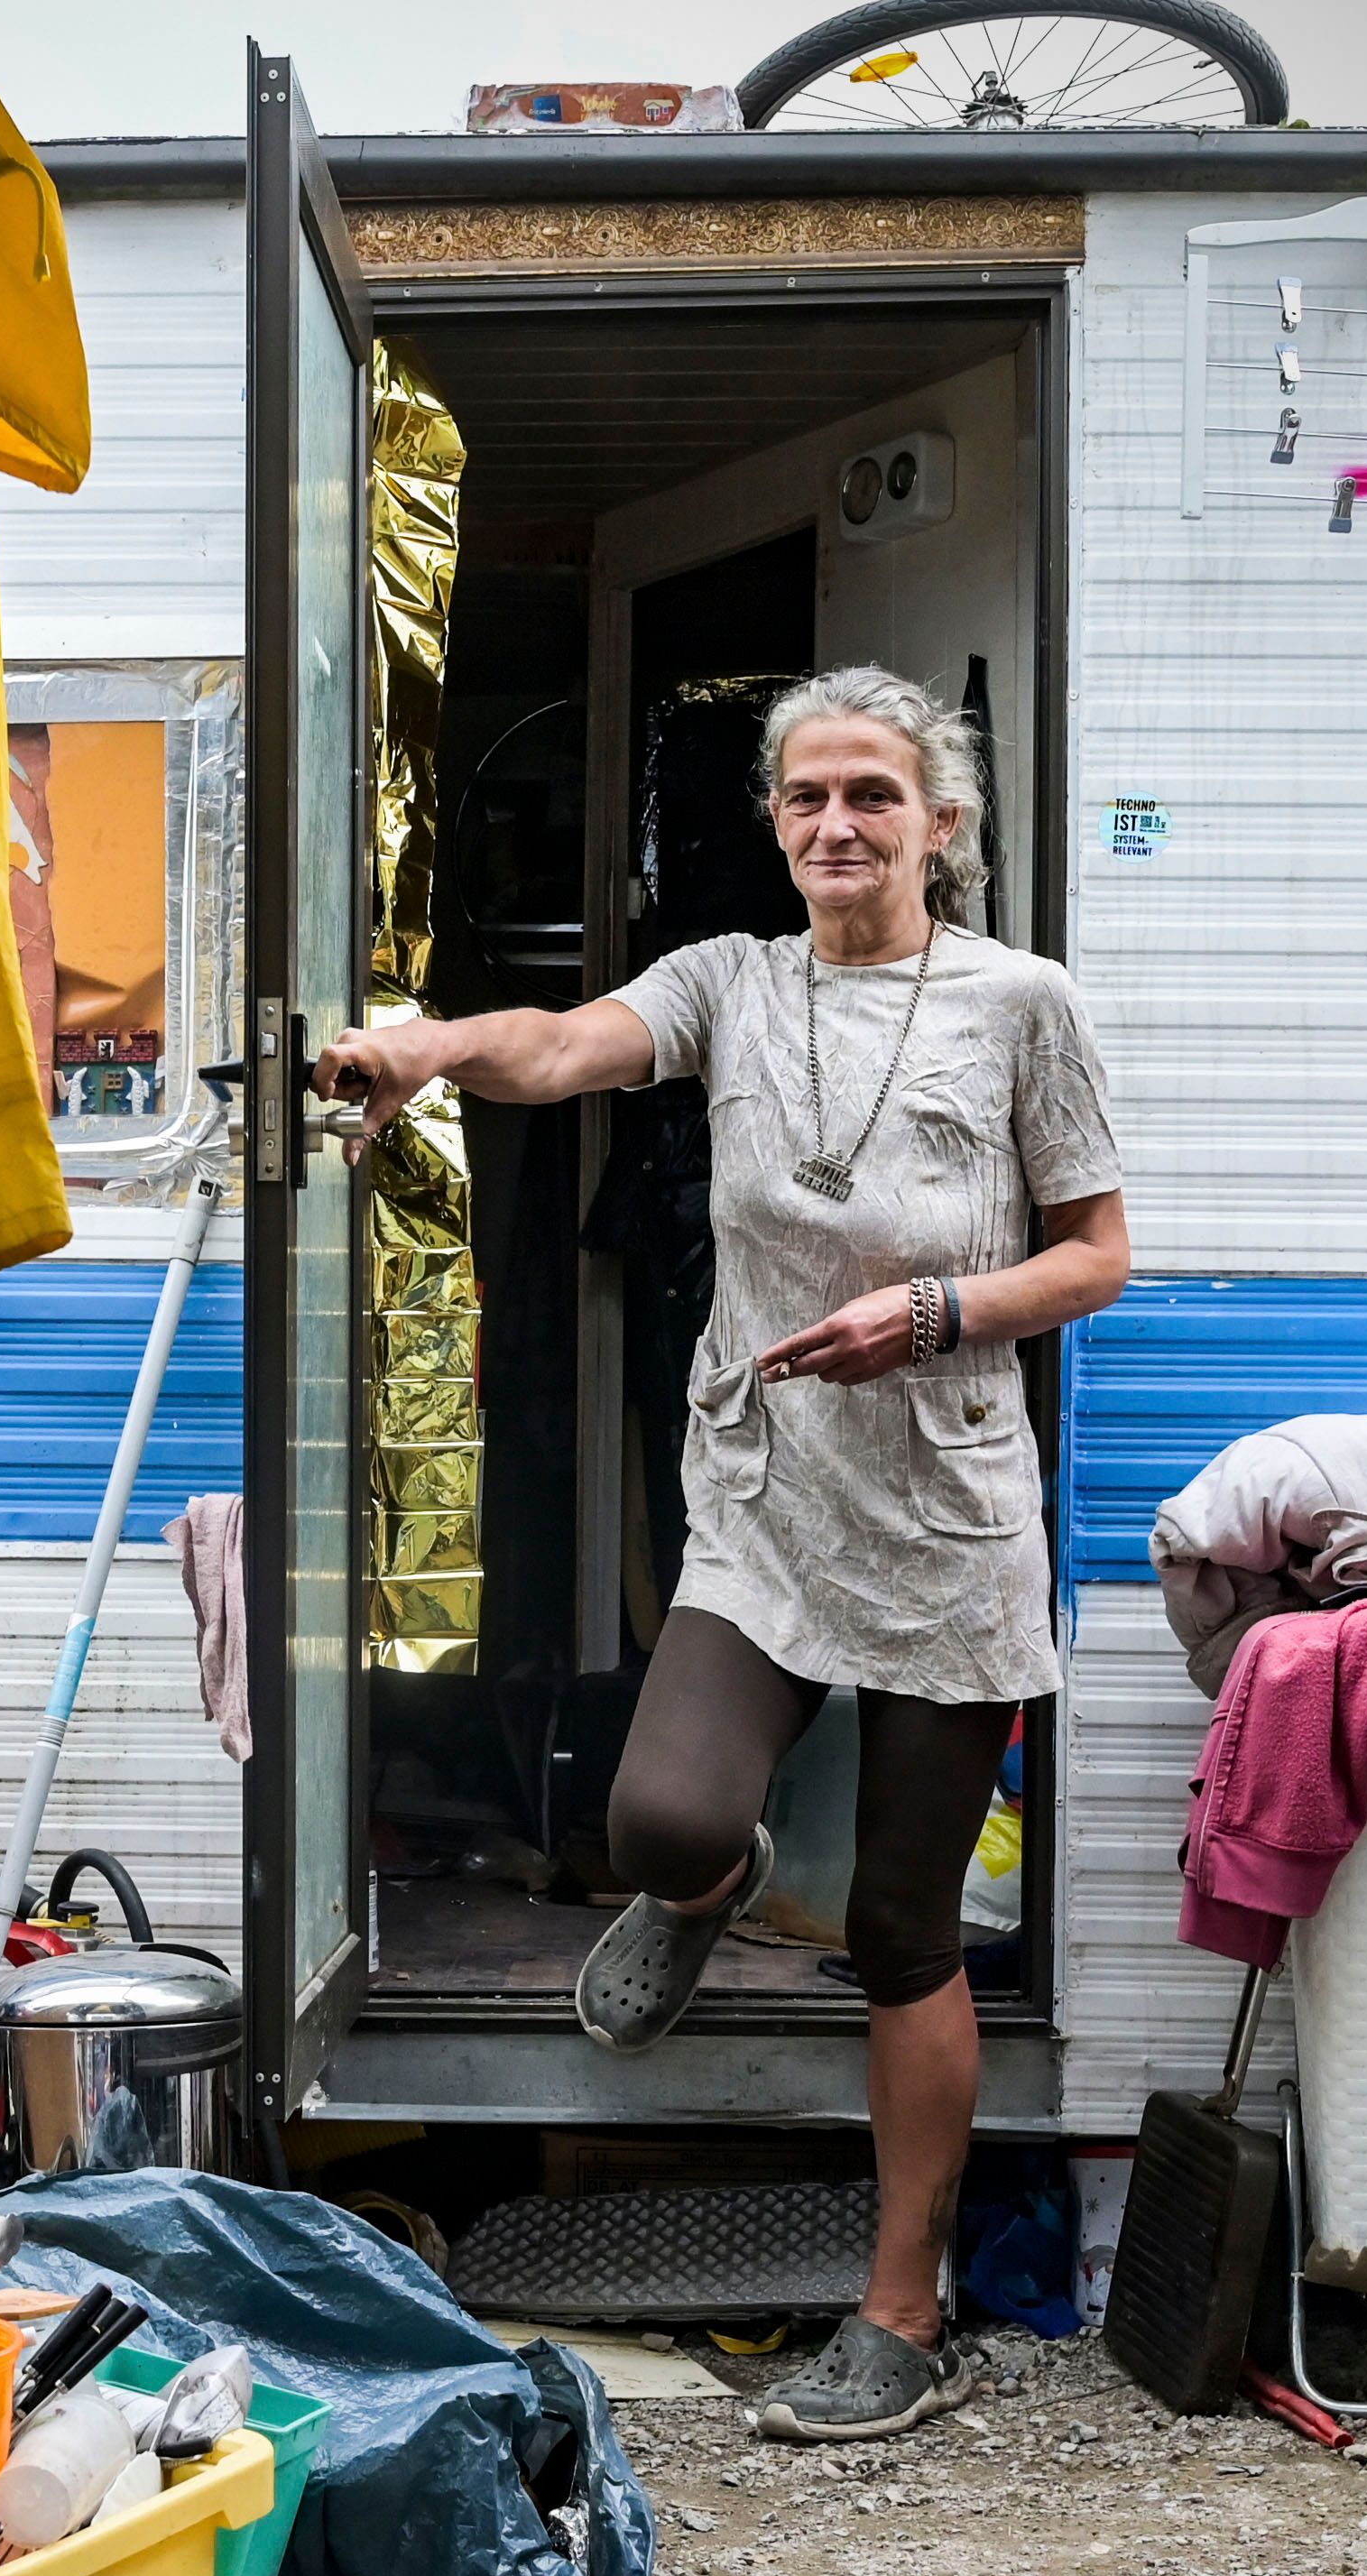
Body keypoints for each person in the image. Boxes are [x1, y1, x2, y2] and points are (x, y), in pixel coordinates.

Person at [319, 665, 1128, 2442]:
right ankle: (704, 1894)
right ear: (774, 824)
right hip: (765, 1491)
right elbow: (562, 1046)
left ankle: (900, 2316)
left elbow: (1094, 1258)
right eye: (807, 800)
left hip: (942, 1516)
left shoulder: (1022, 1008)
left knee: (908, 1930)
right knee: (661, 1818)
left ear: (941, 826)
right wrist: (434, 1048)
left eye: (873, 799)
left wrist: (929, 1313)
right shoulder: (730, 986)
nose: (837, 827)